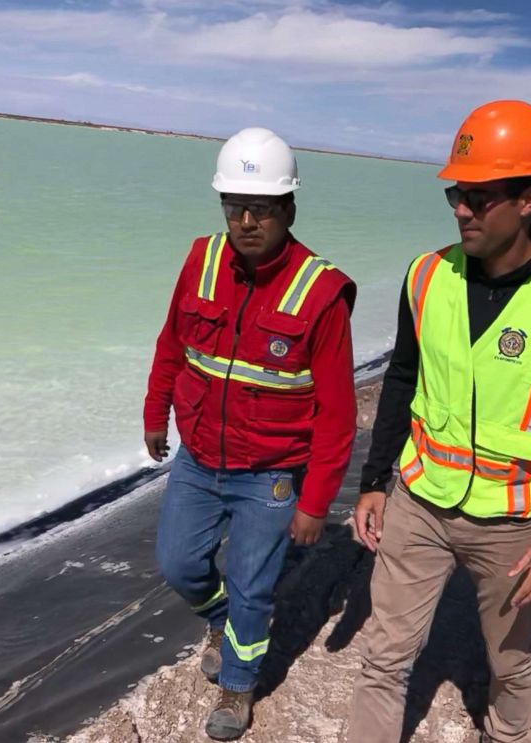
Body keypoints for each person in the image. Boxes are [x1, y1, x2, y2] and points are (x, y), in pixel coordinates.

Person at [347, 100, 531, 742]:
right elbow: (401, 380)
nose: (461, 209)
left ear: (530, 197)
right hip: (419, 502)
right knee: (384, 656)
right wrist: (372, 478)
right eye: (456, 193)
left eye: (479, 196)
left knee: (509, 660)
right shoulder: (426, 277)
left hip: (513, 524)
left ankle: (506, 732)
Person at [143, 128, 357, 740]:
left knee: (253, 586)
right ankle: (218, 619)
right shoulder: (200, 259)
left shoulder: (321, 293)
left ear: (288, 209)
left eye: (261, 208)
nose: (246, 221)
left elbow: (339, 414)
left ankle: (238, 688)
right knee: (179, 563)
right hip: (199, 459)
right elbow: (171, 346)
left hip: (268, 473)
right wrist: (155, 412)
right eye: (234, 206)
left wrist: (315, 502)